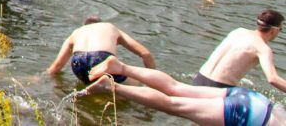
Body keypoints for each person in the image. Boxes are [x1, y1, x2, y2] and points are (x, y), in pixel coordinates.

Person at [86, 57, 286, 126]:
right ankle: (113, 87)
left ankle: (122, 68)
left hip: (256, 100)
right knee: (173, 105)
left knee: (177, 88)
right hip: (248, 117)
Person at [46, 16, 156, 83]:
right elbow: (145, 53)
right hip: (100, 57)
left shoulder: (76, 33)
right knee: (136, 82)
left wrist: (40, 78)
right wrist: (154, 81)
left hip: (78, 61)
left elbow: (55, 68)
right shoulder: (110, 27)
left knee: (91, 79)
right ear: (101, 23)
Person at [193, 10, 286, 90]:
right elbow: (272, 78)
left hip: (199, 79)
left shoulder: (238, 31)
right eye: (280, 29)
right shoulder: (263, 48)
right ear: (273, 30)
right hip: (218, 88)